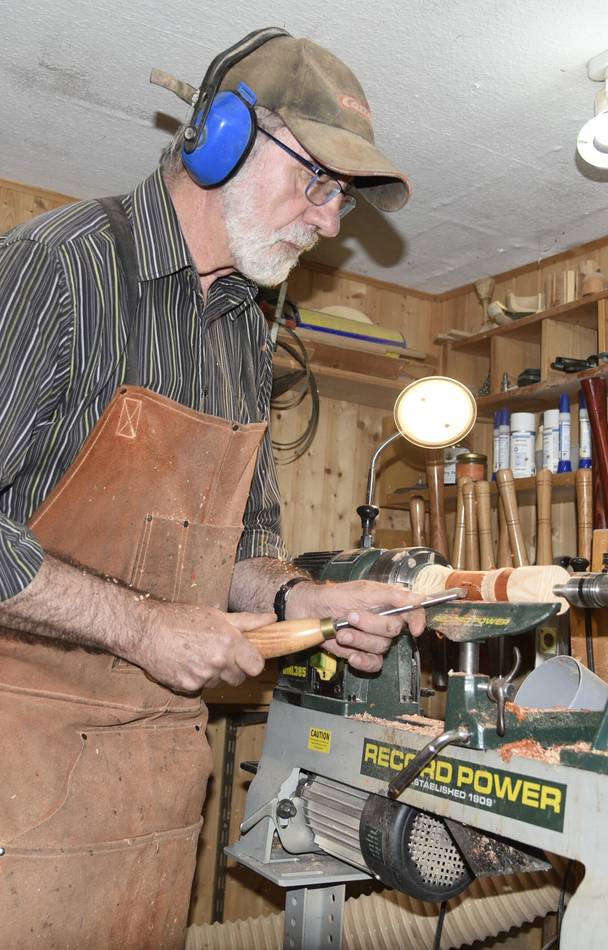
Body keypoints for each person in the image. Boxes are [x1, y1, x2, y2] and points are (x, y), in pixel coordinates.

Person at [0, 29, 423, 949]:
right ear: (222, 137)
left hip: (155, 788)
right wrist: (145, 626)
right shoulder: (57, 268)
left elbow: (235, 552)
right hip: (16, 771)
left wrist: (306, 600)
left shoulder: (243, 331)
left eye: (342, 197)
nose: (330, 222)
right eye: (319, 181)